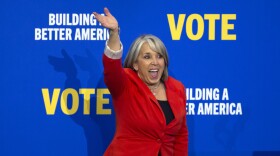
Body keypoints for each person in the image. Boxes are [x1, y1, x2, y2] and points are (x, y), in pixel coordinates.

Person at [93, 7, 188, 156]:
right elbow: (111, 69)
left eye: (159, 56)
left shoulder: (177, 88)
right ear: (135, 64)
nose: (155, 62)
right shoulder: (125, 83)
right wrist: (114, 33)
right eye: (147, 57)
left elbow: (181, 135)